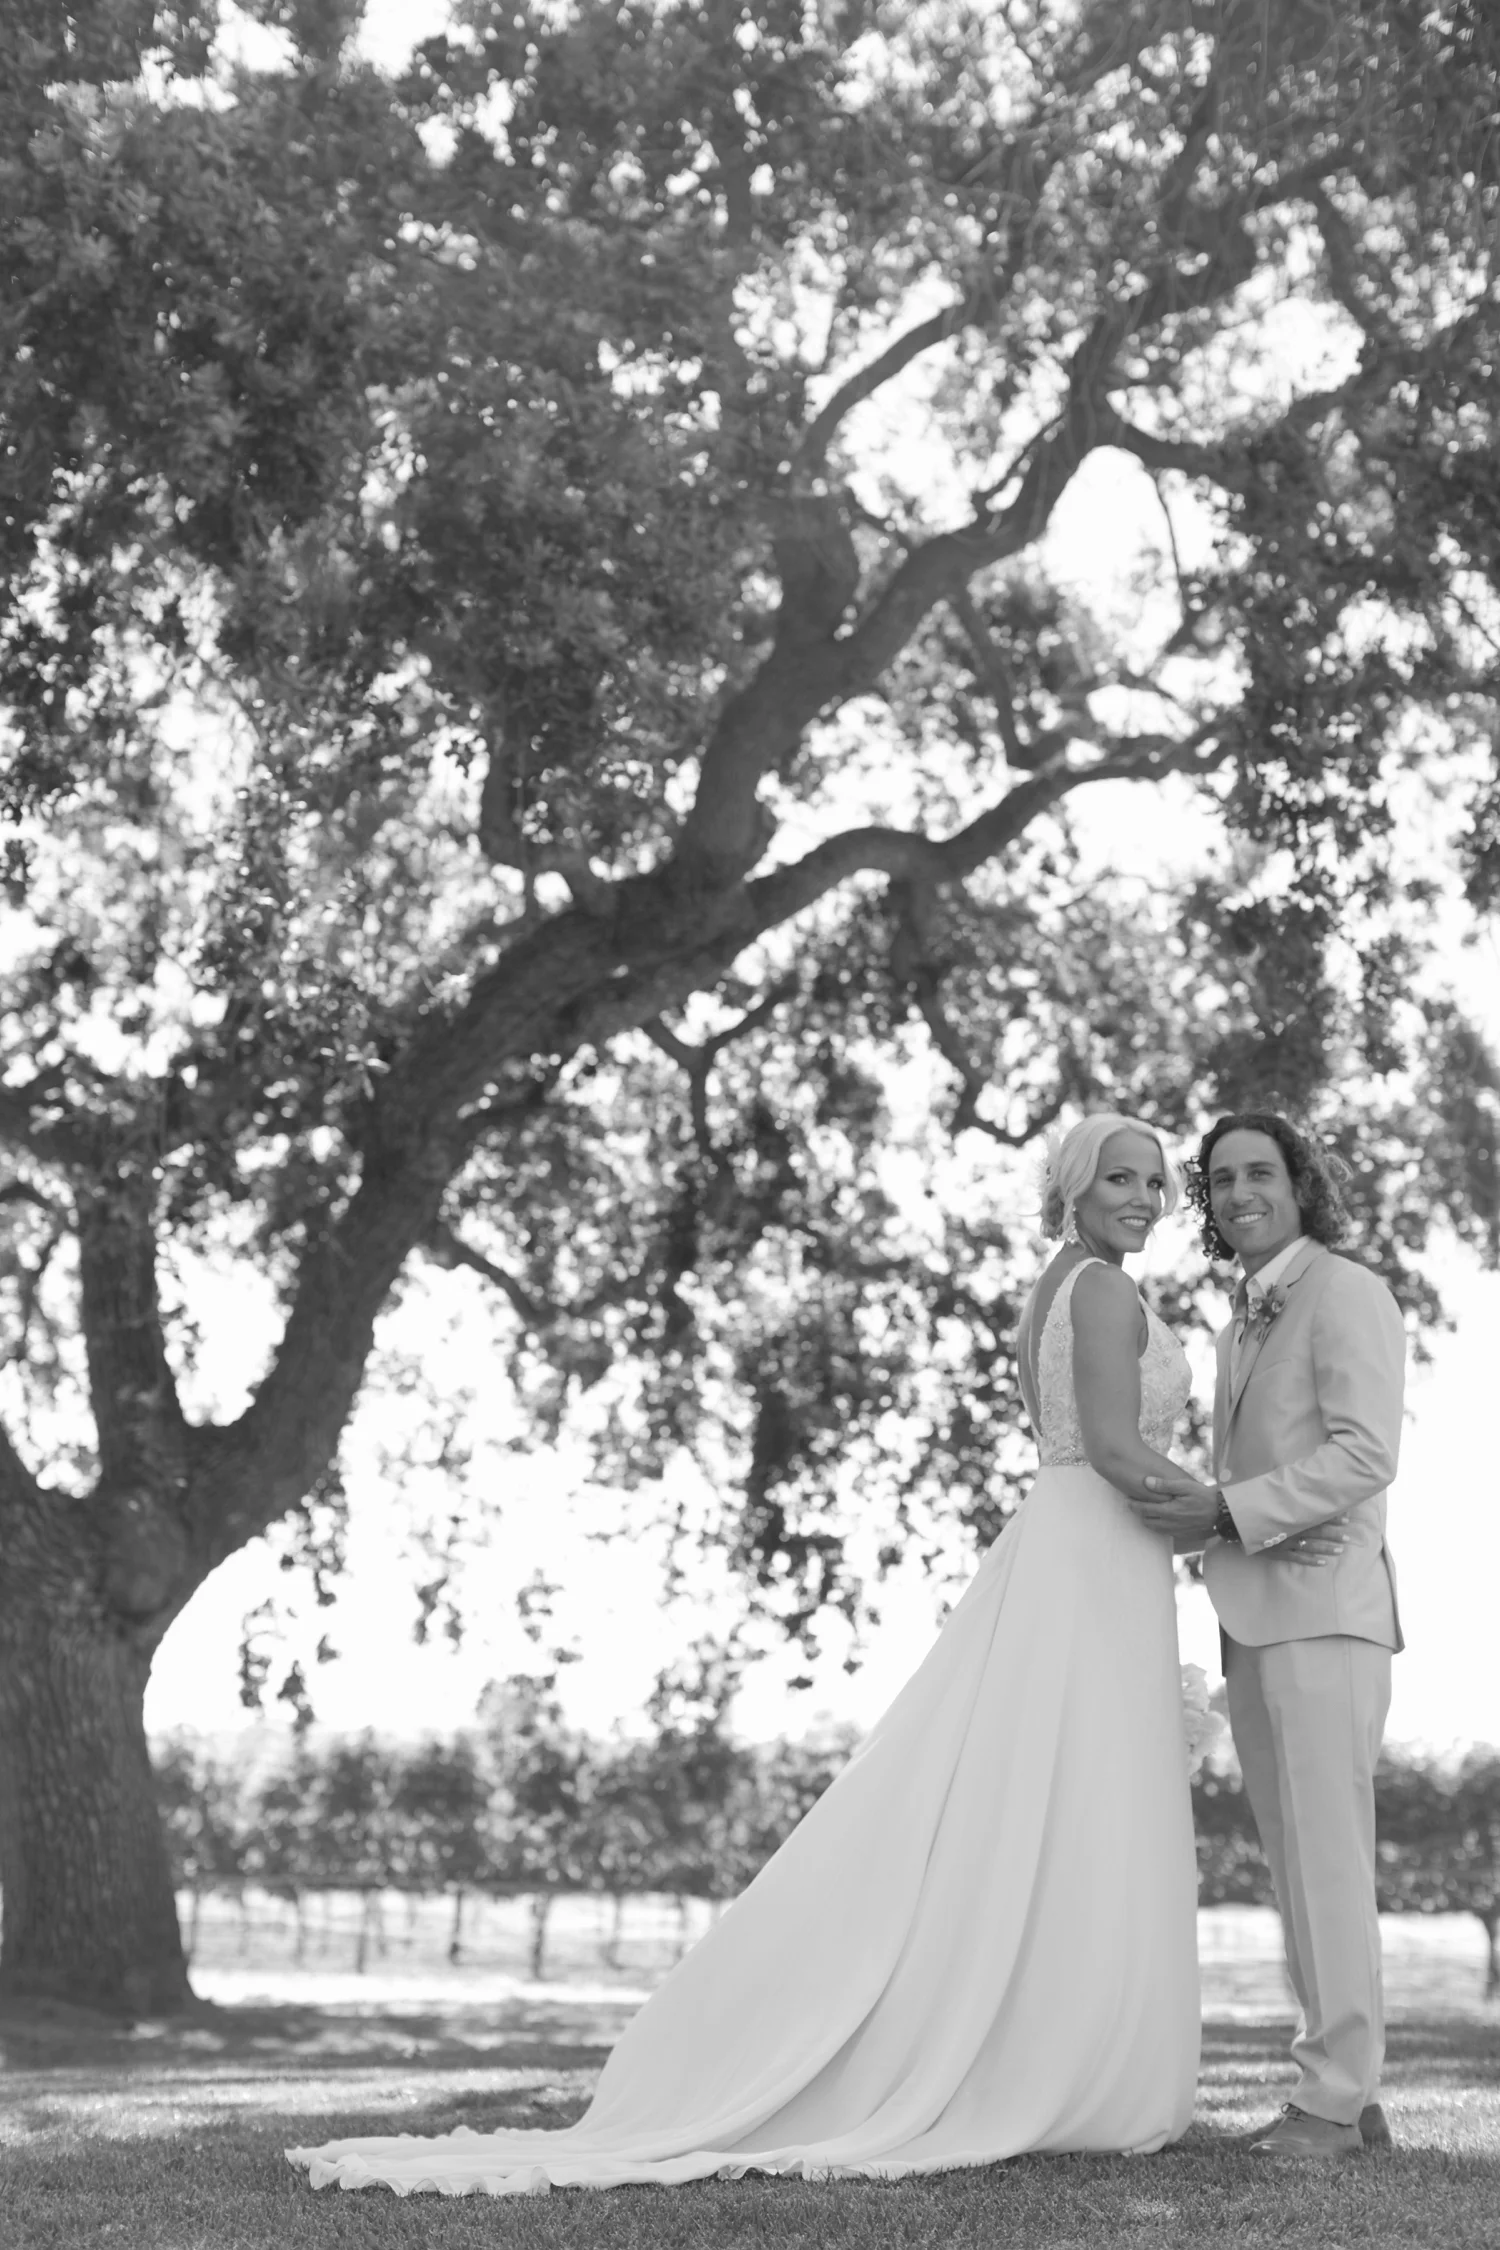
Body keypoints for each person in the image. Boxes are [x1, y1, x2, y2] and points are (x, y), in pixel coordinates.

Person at [288, 1113, 1339, 2199]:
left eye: (1155, 1183)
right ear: (1073, 1189)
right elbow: (1115, 1448)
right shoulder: (1106, 1291)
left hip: (1069, 1543)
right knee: (1078, 1792)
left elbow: (1078, 1444)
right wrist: (1225, 1517)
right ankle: (1063, 2060)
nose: (1142, 1198)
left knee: (1044, 1790)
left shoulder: (1052, 1287)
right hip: (1100, 1550)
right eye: (1119, 1178)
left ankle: (1032, 2042)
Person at [1131, 1112, 1405, 2162]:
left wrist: (1230, 1512)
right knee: (1297, 1869)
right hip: (1252, 1619)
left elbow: (1365, 1454)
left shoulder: (1348, 1291)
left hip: (1328, 1612)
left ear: (1300, 1183)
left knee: (1328, 1864)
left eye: (1260, 1172)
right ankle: (1349, 2100)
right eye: (1221, 1180)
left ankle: (1331, 2103)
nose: (1241, 1192)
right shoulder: (1236, 1320)